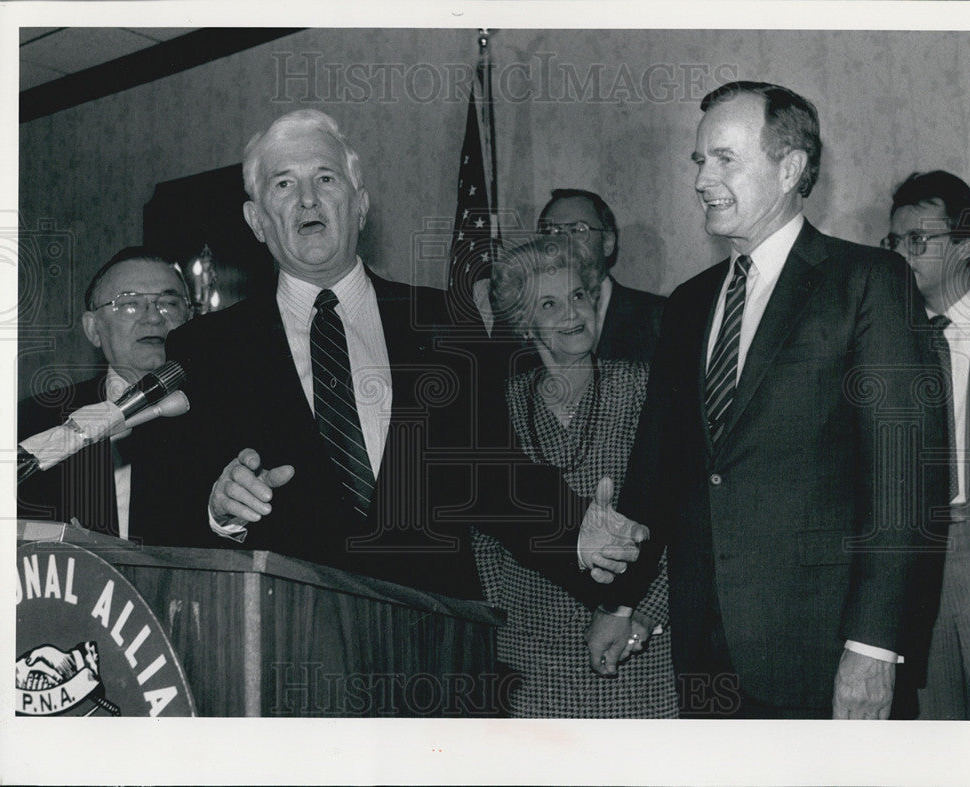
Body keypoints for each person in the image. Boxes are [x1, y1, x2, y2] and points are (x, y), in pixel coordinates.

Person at [129, 109, 646, 602]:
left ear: (361, 204)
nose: (308, 200)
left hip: (434, 646)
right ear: (257, 219)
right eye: (283, 184)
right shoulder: (205, 349)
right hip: (288, 649)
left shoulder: (444, 322)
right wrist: (221, 513)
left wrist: (574, 536)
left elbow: (491, 479)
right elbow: (161, 522)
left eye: (327, 179)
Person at [606, 82, 948, 718]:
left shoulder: (869, 283)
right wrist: (620, 600)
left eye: (724, 159)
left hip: (822, 651)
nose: (703, 178)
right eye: (698, 160)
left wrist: (874, 646)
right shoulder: (686, 304)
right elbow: (661, 465)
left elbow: (904, 481)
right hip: (704, 649)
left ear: (790, 168)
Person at [474, 237, 677, 717]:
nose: (572, 313)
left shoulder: (643, 388)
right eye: (549, 303)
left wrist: (644, 615)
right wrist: (502, 621)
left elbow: (685, 514)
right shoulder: (501, 405)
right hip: (530, 660)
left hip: (635, 655)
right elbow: (483, 534)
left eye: (579, 296)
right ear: (524, 324)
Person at [17, 247, 193, 537]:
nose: (153, 318)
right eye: (130, 304)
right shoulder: (35, 419)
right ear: (93, 329)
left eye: (169, 303)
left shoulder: (223, 417)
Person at [886, 170, 970, 719]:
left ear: (966, 245)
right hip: (919, 554)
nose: (902, 255)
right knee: (936, 720)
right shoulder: (890, 339)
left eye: (919, 240)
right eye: (895, 242)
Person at [536, 189, 666, 362]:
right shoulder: (523, 318)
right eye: (552, 231)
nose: (563, 242)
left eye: (578, 230)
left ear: (607, 243)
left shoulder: (660, 316)